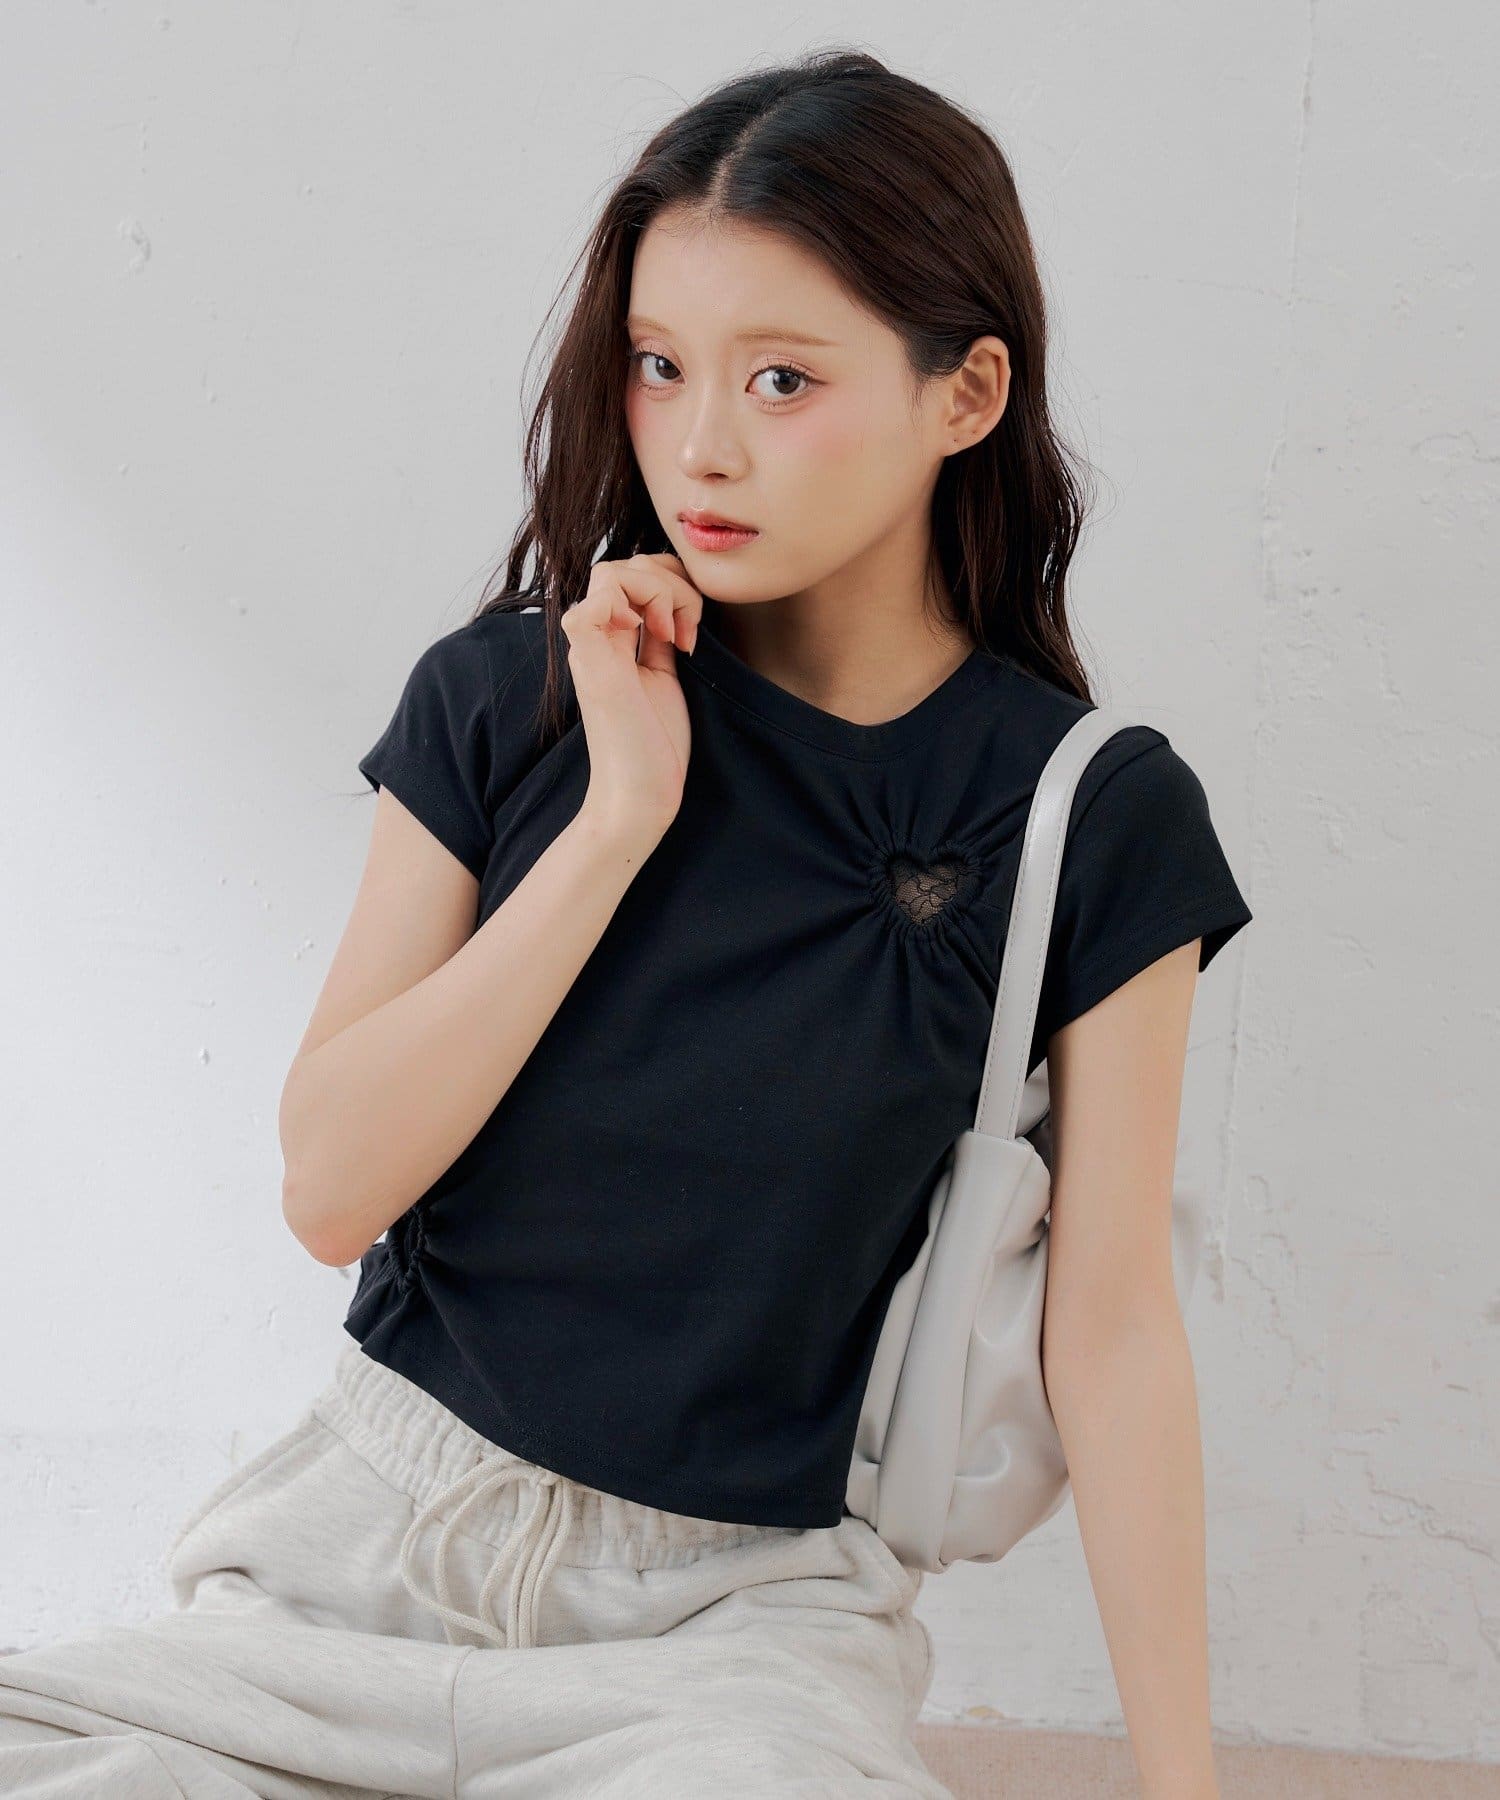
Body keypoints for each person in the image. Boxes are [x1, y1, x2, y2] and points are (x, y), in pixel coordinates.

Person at [0, 46, 1252, 1800]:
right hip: (357, 1565)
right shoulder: (510, 697)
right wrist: (617, 822)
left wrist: (1184, 1787)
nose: (700, 445)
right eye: (661, 366)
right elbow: (330, 1189)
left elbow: (1112, 1337)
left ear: (967, 394)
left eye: (783, 379)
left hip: (729, 1642)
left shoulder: (1085, 814)